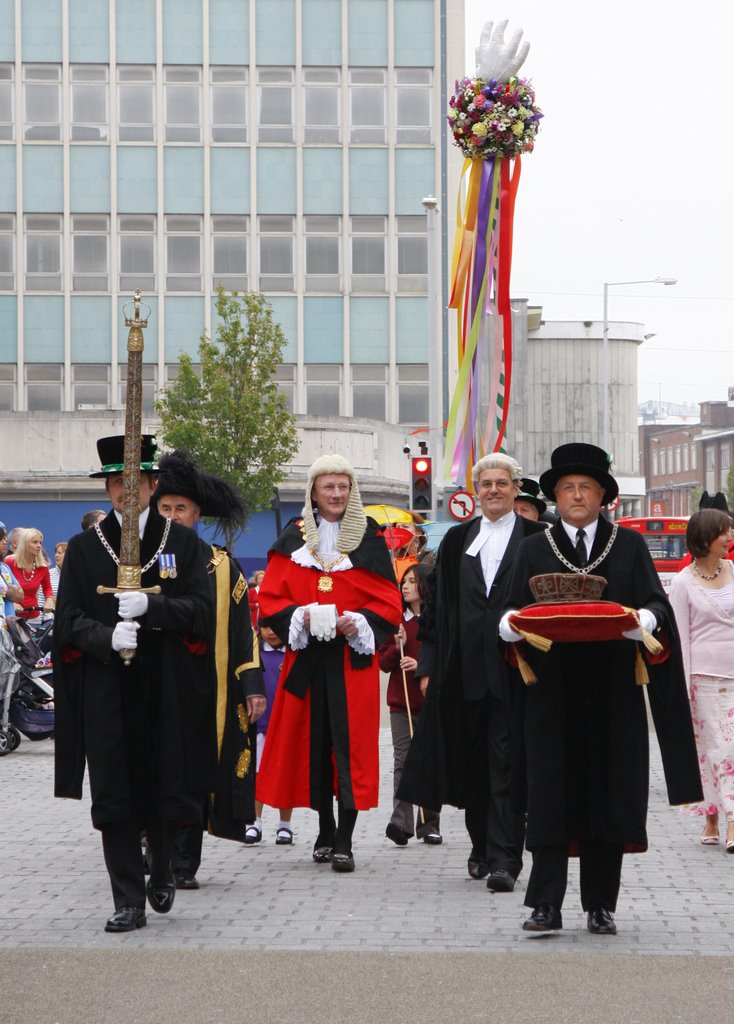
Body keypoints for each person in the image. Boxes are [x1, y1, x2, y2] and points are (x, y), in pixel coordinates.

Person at [499, 442, 702, 935]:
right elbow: (506, 613)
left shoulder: (627, 546)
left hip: (613, 694)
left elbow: (658, 604)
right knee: (548, 794)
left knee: (608, 795)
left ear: (602, 496)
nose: (575, 496)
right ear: (556, 495)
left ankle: (600, 904)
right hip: (550, 694)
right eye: (567, 488)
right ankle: (545, 904)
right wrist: (508, 625)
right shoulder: (531, 548)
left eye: (585, 488)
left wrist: (646, 620)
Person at [53, 434, 216, 933]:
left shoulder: (183, 542)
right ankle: (128, 897)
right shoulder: (83, 549)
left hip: (164, 686)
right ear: (106, 488)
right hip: (108, 691)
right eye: (116, 483)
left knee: (166, 785)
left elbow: (203, 613)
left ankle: (163, 866)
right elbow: (67, 622)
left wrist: (155, 608)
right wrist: (105, 636)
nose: (127, 491)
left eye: (136, 482)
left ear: (151, 484)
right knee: (116, 793)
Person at [398, 453, 546, 893]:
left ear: (515, 488)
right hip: (462, 673)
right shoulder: (458, 538)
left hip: (518, 672)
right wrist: (427, 666)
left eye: (503, 483)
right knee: (473, 766)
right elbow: (435, 610)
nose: (494, 490)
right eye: (487, 483)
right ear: (475, 490)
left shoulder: (538, 537)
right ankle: (481, 847)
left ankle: (505, 858)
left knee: (507, 765)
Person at [256, 454, 402, 872]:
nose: (337, 494)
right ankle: (323, 829)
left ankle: (345, 839)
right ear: (313, 493)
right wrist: (300, 616)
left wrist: (356, 621)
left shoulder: (369, 538)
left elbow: (389, 603)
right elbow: (272, 601)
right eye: (329, 487)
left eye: (343, 487)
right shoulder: (293, 538)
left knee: (349, 747)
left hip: (350, 663)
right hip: (306, 662)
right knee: (313, 745)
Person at [154, 450, 267, 889]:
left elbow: (244, 633)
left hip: (208, 693)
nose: (173, 515)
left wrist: (252, 686)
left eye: (181, 508)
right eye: (166, 508)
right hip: (152, 686)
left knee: (196, 775)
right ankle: (151, 851)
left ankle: (183, 864)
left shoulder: (222, 566)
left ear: (196, 513)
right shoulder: (136, 562)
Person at [669, 508, 734, 852]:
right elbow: (679, 637)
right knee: (718, 752)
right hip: (705, 680)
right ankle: (723, 819)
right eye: (724, 532)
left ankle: (718, 816)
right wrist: (681, 689)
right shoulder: (683, 582)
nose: (730, 537)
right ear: (706, 537)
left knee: (728, 751)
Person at [379, 562, 441, 846]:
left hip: (429, 701)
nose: (405, 586)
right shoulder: (395, 622)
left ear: (425, 585)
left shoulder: (435, 620)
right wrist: (396, 646)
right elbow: (383, 662)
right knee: (402, 761)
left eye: (412, 581)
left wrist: (421, 666)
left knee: (429, 759)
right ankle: (400, 822)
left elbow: (443, 658)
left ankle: (428, 823)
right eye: (404, 581)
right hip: (400, 702)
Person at [245, 623, 294, 845]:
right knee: (257, 773)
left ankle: (285, 825)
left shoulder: (293, 652)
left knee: (285, 773)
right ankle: (255, 822)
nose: (271, 632)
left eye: (276, 627)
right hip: (260, 724)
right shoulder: (254, 654)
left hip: (285, 723)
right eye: (266, 627)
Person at [6, 528, 54, 622]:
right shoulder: (9, 562)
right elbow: (2, 588)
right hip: (11, 616)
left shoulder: (42, 566)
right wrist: (11, 604)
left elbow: (47, 587)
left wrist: (49, 599)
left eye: (40, 542)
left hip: (33, 616)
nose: (39, 546)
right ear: (24, 544)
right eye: (35, 542)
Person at [0, 524, 24, 618]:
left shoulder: (5, 567)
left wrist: (5, 588)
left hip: (8, 626)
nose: (5, 541)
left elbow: (20, 595)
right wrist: (11, 590)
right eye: (1, 538)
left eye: (6, 538)